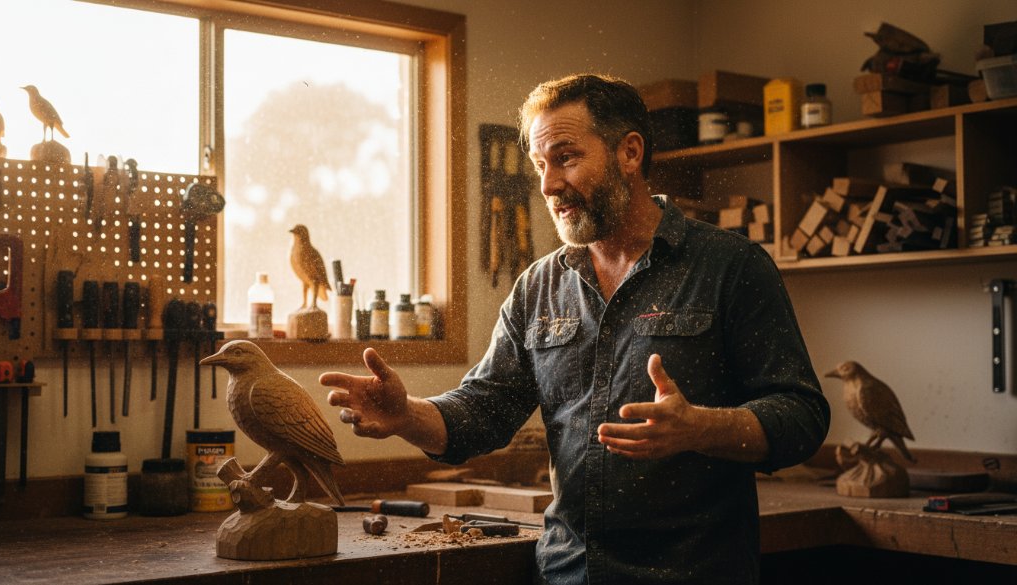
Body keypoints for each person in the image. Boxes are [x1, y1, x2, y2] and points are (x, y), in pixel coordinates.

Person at [322, 73, 830, 585]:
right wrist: (406, 415)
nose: (547, 184)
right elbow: (486, 408)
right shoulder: (538, 286)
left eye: (566, 158)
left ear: (629, 153)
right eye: (540, 165)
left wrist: (702, 428)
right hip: (569, 573)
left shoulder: (730, 266)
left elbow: (802, 416)